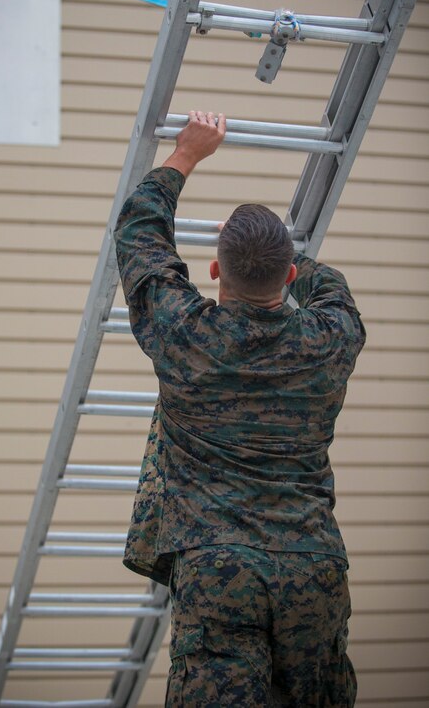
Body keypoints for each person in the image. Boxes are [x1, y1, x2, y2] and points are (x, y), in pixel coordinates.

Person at [114, 110, 365, 707]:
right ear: (291, 275)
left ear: (214, 271)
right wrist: (275, 253)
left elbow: (139, 238)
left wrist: (186, 155)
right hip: (313, 563)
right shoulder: (330, 339)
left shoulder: (186, 334)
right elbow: (333, 292)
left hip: (220, 569)